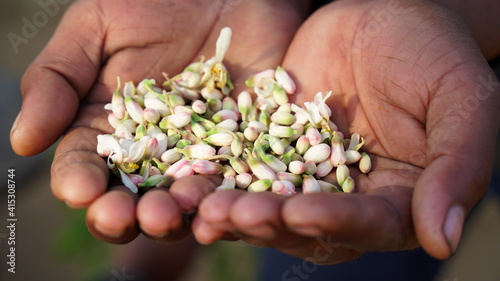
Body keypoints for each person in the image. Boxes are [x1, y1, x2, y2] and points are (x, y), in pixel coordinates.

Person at [10, 0, 499, 276]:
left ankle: (159, 250)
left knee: (340, 232)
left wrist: (459, 11)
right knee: (311, 240)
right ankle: (158, 251)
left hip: (415, 90)